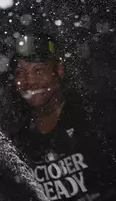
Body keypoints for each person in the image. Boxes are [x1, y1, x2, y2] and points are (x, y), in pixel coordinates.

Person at [10, 33, 116, 200]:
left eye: (38, 69)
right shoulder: (17, 142)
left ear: (59, 71)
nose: (29, 81)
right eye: (19, 72)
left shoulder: (98, 118)